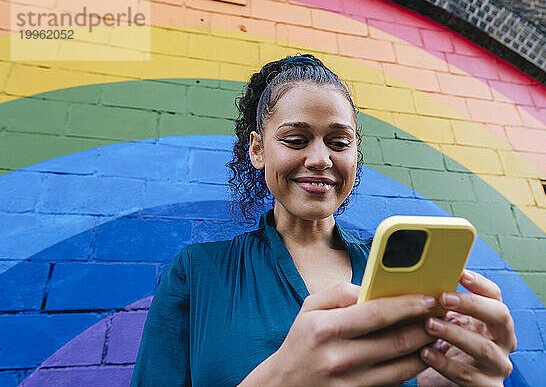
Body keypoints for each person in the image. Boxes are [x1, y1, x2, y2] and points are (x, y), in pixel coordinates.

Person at [130, 54, 516, 387]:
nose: (320, 159)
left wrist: (452, 377)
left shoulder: (392, 271)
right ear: (258, 149)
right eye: (296, 140)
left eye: (339, 142)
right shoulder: (197, 272)